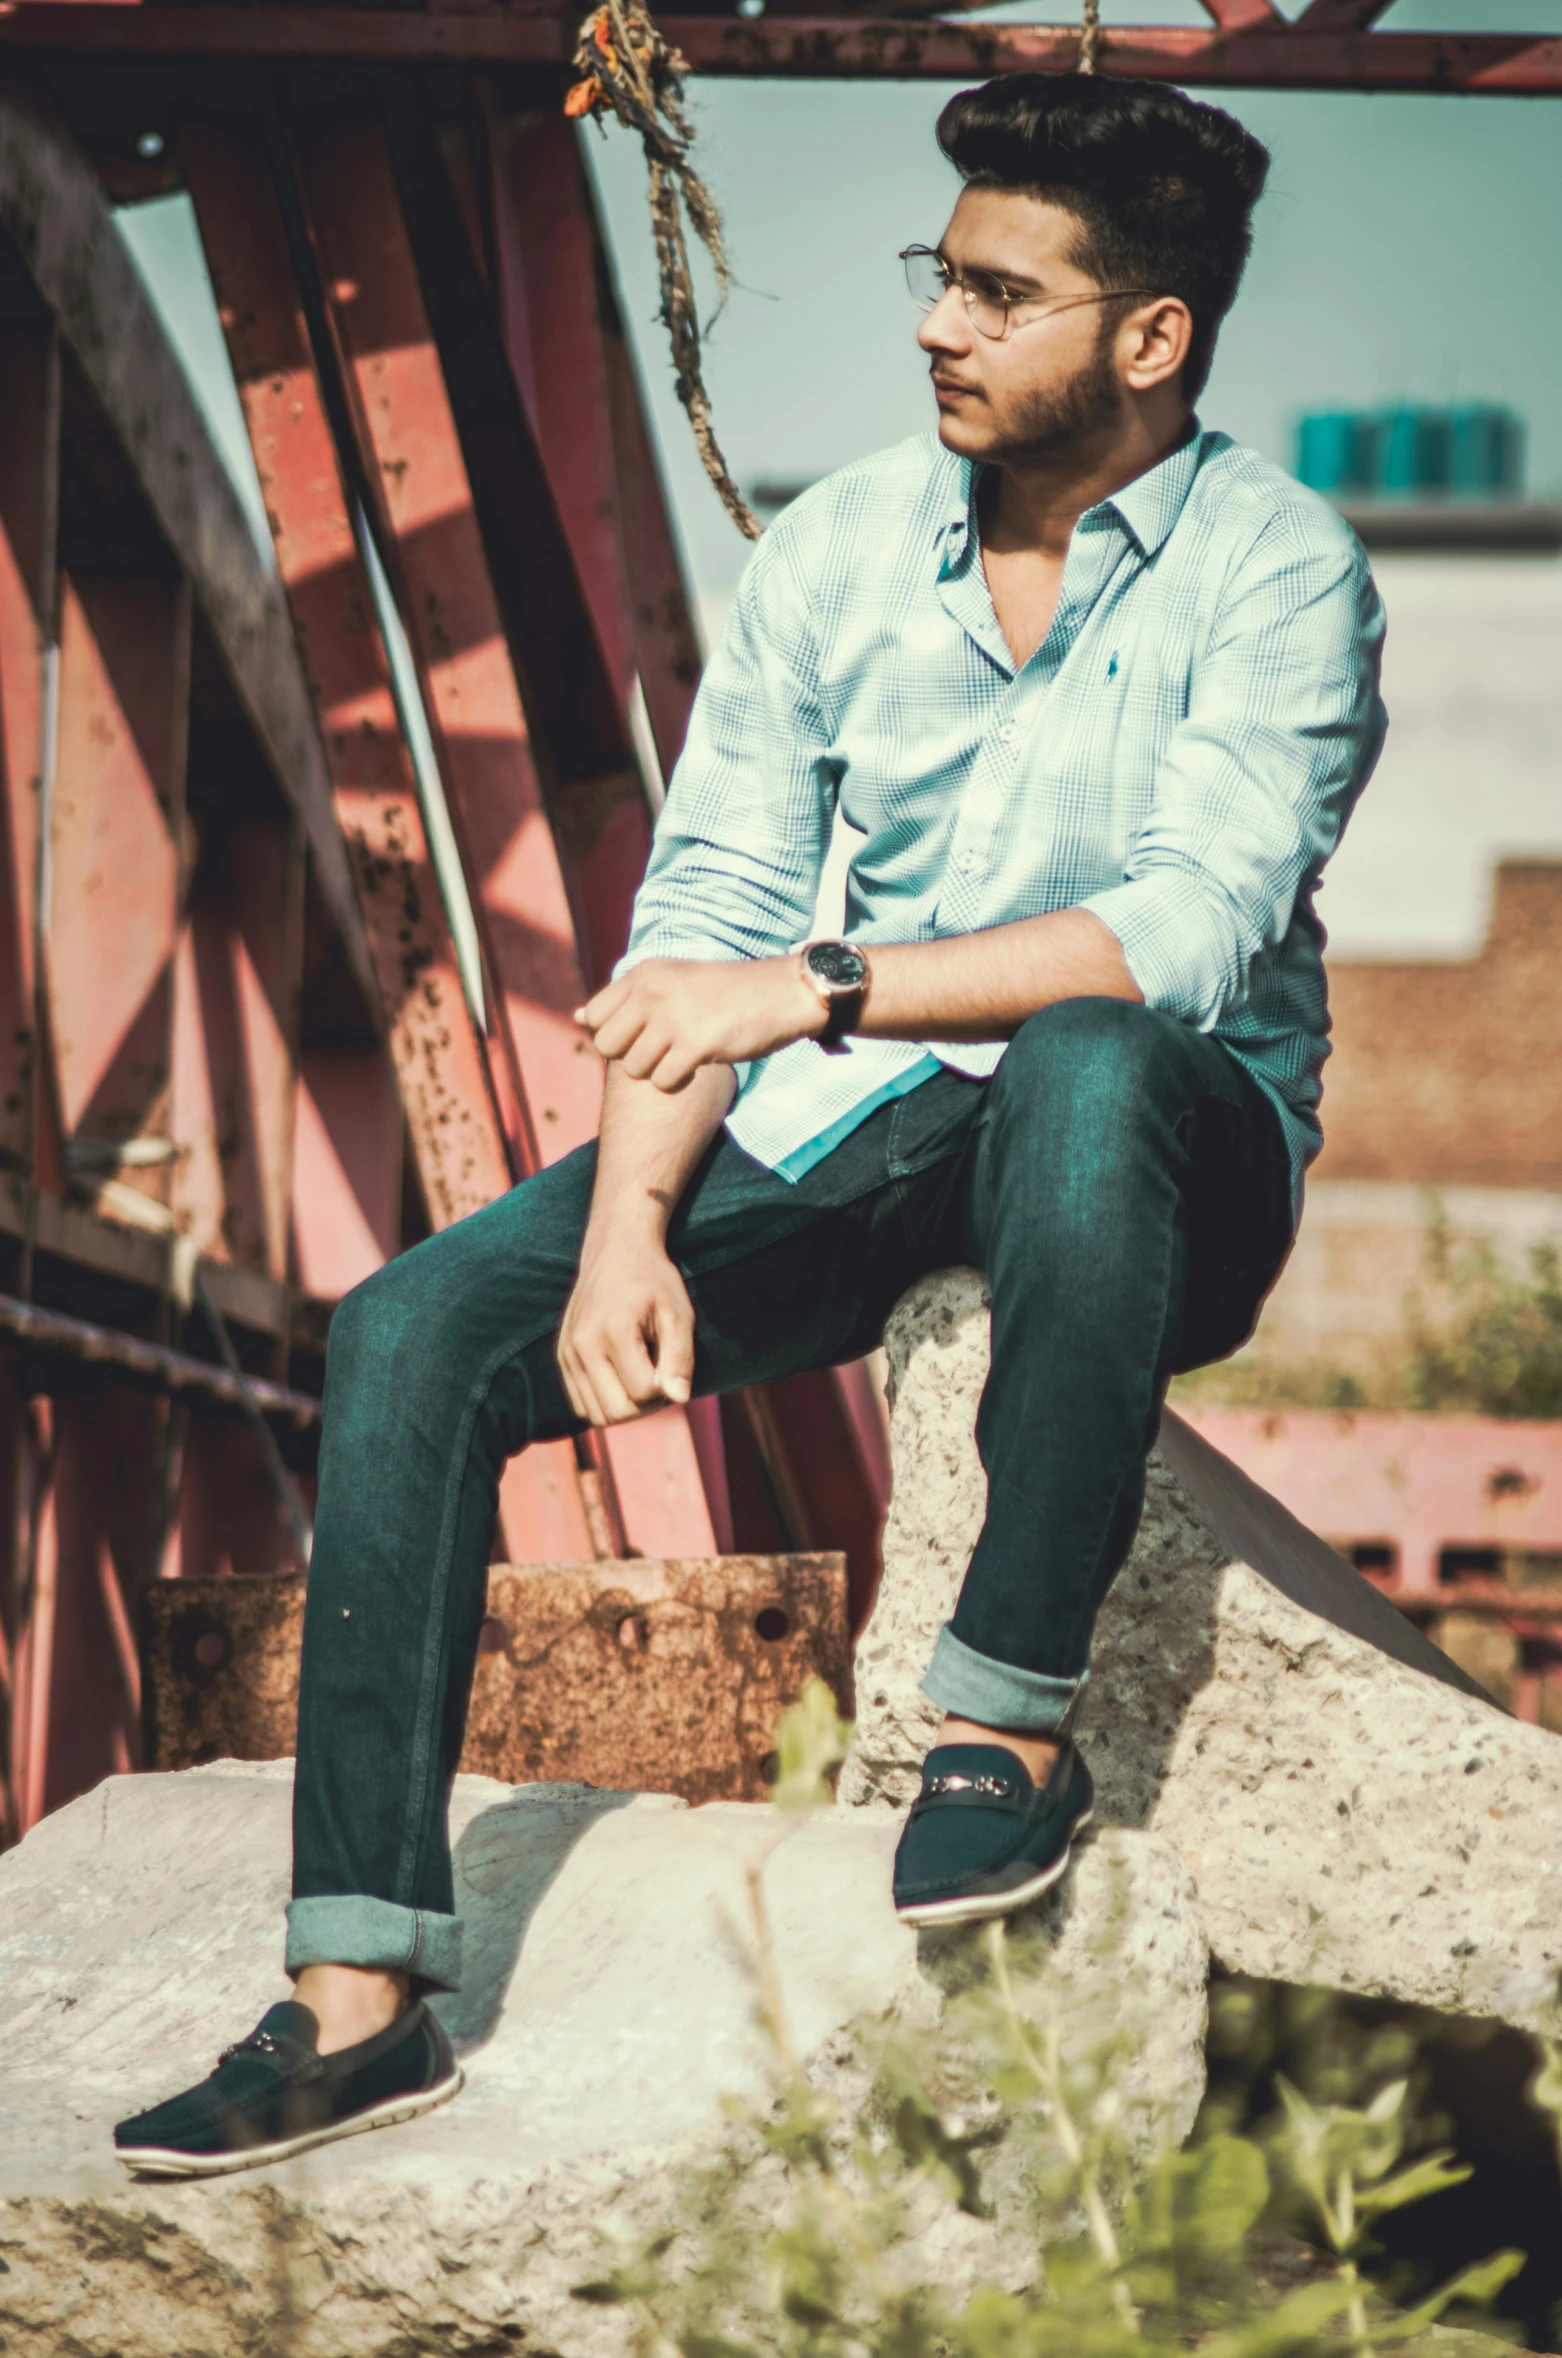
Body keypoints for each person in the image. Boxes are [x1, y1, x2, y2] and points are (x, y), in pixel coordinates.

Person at [115, 70, 1384, 2176]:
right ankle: (355, 1999)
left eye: (997, 291)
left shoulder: (1279, 570)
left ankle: (1002, 1729)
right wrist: (624, 1233)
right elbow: (701, 913)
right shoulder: (838, 553)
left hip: (1177, 1136)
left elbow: (1177, 935)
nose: (935, 327)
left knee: (1077, 1063)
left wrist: (822, 985)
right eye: (935, 274)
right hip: (874, 1123)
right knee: (416, 1331)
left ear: (1149, 337)